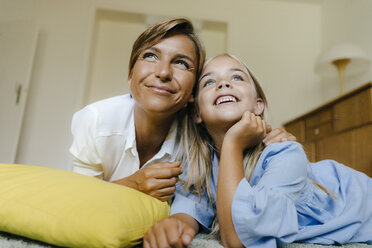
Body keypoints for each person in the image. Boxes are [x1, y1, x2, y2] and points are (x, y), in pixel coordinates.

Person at [143, 54, 372, 248]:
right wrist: (176, 225)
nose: (223, 84)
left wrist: (233, 142)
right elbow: (191, 208)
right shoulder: (200, 166)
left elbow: (237, 239)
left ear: (258, 105)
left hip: (360, 198)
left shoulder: (285, 153)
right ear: (197, 113)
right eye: (209, 82)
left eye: (236, 77)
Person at [69, 19, 295, 202]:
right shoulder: (96, 121)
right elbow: (75, 200)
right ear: (130, 75)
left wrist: (272, 137)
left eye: (181, 63)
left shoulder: (201, 133)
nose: (163, 72)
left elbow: (238, 134)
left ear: (193, 95)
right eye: (151, 56)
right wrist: (133, 184)